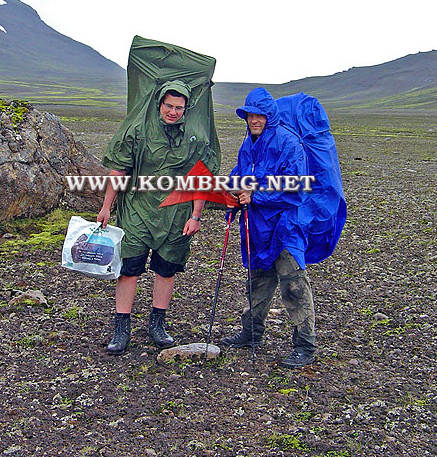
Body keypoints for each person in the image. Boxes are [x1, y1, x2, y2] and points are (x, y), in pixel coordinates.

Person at [97, 81, 212, 355]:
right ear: (160, 104)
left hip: (176, 214)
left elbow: (201, 180)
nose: (173, 112)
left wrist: (196, 215)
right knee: (129, 269)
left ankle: (157, 324)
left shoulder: (195, 138)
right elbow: (118, 172)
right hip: (137, 209)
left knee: (166, 269)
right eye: (169, 106)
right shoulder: (138, 131)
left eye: (179, 108)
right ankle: (121, 327)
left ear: (186, 109)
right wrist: (106, 207)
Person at [221, 87, 318, 368]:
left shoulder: (288, 143)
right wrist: (231, 192)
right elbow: (240, 175)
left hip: (287, 225)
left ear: (270, 116)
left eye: (260, 115)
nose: (255, 120)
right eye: (251, 115)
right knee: (258, 282)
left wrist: (257, 195)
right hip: (258, 226)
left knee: (294, 285)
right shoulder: (248, 144)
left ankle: (305, 345)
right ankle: (250, 334)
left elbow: (298, 186)